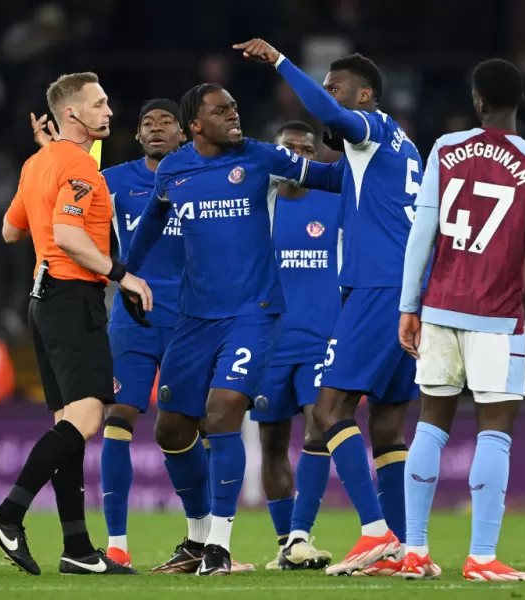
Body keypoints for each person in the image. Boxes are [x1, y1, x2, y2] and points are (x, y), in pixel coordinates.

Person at [125, 82, 343, 576]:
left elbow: (332, 179)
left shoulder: (263, 157)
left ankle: (220, 547)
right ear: (195, 126)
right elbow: (151, 224)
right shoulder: (175, 170)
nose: (234, 115)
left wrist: (361, 145)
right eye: (221, 111)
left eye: (235, 107)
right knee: (171, 427)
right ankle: (197, 537)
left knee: (222, 412)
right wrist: (127, 276)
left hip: (254, 311)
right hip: (195, 316)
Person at [31, 101, 253, 575]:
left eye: (165, 123)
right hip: (132, 317)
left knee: (198, 425)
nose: (155, 130)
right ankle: (117, 545)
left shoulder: (200, 177)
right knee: (117, 416)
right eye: (147, 123)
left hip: (193, 318)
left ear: (183, 134)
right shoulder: (111, 179)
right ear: (137, 136)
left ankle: (211, 538)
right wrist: (51, 150)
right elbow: (69, 182)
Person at [235, 39, 421, 576]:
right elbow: (314, 175)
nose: (327, 97)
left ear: (364, 95)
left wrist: (280, 64)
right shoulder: (391, 152)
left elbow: (329, 114)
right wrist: (250, 149)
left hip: (376, 288)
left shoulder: (374, 127)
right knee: (386, 425)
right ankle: (406, 549)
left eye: (336, 88)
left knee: (330, 410)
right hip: (406, 291)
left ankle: (374, 533)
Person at [0, 71, 151, 577]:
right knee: (89, 417)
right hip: (72, 297)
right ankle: (8, 513)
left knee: (68, 423)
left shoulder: (39, 162)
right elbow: (68, 234)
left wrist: (47, 167)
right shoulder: (77, 166)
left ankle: (76, 546)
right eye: (98, 105)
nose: (109, 113)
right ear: (71, 114)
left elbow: (12, 230)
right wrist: (125, 276)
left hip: (42, 297)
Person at [397, 58, 525, 582]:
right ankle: (482, 558)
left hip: (440, 309)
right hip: (497, 317)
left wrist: (408, 305)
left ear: (478, 101)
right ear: (518, 103)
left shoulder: (445, 149)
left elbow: (422, 234)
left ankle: (415, 551)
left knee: (429, 425)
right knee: (495, 433)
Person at [252, 121, 341, 571]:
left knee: (319, 428)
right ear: (275, 152)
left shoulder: (334, 201)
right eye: (291, 149)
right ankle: (287, 543)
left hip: (319, 339)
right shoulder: (255, 204)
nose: (299, 157)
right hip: (267, 342)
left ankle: (302, 534)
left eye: (308, 150)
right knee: (271, 444)